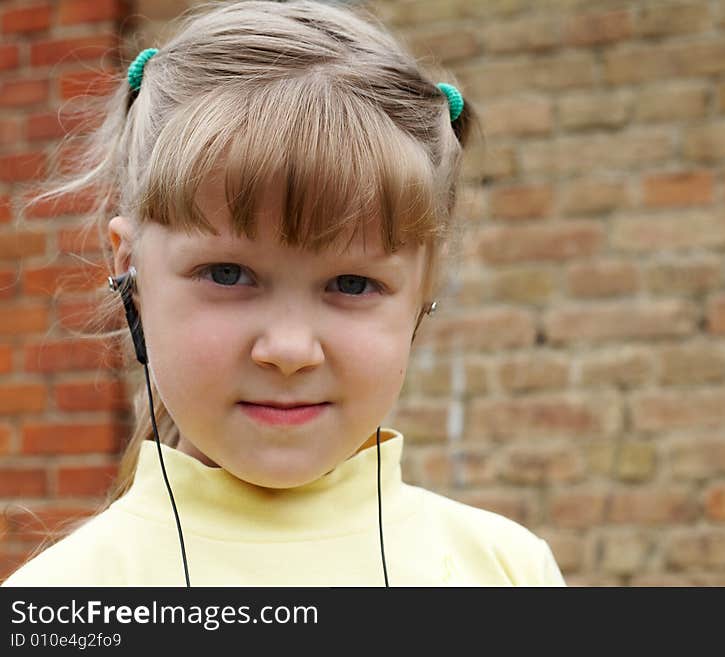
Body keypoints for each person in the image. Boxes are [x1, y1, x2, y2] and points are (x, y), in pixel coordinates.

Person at [2, 0, 565, 587]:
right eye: (227, 274)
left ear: (421, 294)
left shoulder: (508, 571)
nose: (290, 349)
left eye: (352, 284)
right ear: (131, 273)